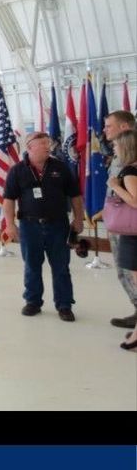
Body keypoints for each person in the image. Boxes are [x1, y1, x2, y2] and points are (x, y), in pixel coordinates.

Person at [2, 131, 84, 322]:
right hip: (29, 226)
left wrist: (79, 219)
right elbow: (9, 200)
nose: (48, 147)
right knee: (32, 265)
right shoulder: (17, 171)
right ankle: (33, 301)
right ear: (30, 147)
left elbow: (75, 196)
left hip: (58, 225)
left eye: (48, 144)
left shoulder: (61, 168)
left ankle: (64, 305)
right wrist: (10, 225)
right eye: (43, 144)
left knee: (61, 266)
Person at [101, 110, 137, 330]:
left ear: (124, 127)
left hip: (130, 223)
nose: (105, 130)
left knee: (129, 269)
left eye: (109, 126)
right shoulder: (119, 153)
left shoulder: (131, 159)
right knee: (126, 270)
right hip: (120, 217)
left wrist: (115, 188)